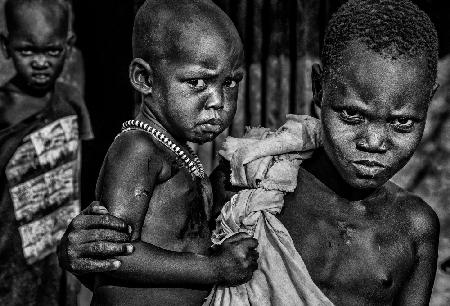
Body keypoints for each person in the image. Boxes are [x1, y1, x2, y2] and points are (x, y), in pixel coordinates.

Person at [59, 0, 441, 305]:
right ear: (319, 88)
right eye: (352, 115)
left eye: (402, 123)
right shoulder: (253, 179)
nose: (374, 142)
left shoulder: (413, 228)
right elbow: (158, 272)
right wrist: (82, 253)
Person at [59, 0, 259, 305]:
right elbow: (113, 253)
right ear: (145, 79)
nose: (218, 100)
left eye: (229, 82)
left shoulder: (178, 155)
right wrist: (214, 267)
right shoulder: (138, 148)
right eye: (196, 82)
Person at [0, 0, 93, 305]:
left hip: (59, 239)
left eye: (51, 51)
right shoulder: (4, 108)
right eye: (27, 51)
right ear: (6, 46)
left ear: (67, 47)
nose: (40, 62)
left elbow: (83, 167)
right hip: (10, 246)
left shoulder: (71, 102)